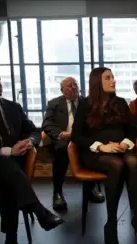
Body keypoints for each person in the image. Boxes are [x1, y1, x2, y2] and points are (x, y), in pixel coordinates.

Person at [0, 65, 63, 244]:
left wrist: (30, 142)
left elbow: (33, 130)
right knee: (7, 169)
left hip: (10, 170)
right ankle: (39, 212)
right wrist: (7, 151)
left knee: (8, 179)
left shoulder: (12, 107)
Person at [71, 67, 137, 244]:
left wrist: (124, 142)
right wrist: (100, 146)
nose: (113, 80)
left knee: (132, 162)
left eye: (113, 77)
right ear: (97, 82)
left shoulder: (121, 103)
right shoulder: (85, 105)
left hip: (120, 149)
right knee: (116, 165)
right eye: (108, 78)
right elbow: (76, 136)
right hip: (95, 152)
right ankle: (111, 224)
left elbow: (131, 130)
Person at [42, 77, 105, 211]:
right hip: (63, 139)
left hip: (82, 140)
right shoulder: (54, 103)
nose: (73, 87)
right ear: (62, 90)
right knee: (61, 153)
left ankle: (91, 188)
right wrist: (61, 134)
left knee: (90, 151)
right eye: (69, 86)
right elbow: (47, 124)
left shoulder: (87, 102)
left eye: (75, 84)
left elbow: (97, 122)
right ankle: (57, 193)